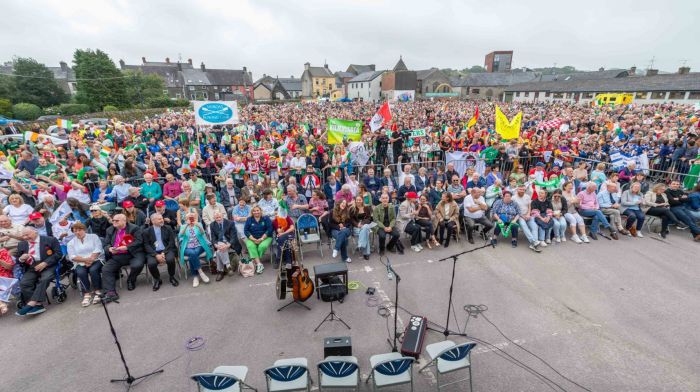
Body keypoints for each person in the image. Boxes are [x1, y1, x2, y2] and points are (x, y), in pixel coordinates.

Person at [15, 227, 62, 316]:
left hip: (48, 265)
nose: (25, 237)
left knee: (44, 279)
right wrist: (21, 258)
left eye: (27, 235)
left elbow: (58, 254)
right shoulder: (21, 244)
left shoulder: (50, 240)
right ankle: (38, 305)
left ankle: (32, 303)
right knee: (24, 283)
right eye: (23, 235)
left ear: (35, 232)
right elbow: (18, 260)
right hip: (32, 266)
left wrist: (45, 263)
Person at [101, 214, 145, 302]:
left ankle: (131, 280)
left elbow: (139, 241)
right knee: (106, 269)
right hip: (117, 255)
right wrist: (110, 249)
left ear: (124, 221)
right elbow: (105, 244)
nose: (114, 222)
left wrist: (127, 247)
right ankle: (110, 293)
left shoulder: (134, 228)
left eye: (117, 220)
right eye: (113, 220)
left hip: (133, 253)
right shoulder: (110, 230)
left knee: (137, 265)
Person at [67, 222, 104, 306]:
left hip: (96, 259)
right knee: (80, 272)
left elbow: (98, 249)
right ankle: (87, 293)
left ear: (84, 230)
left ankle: (97, 290)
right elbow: (72, 256)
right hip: (80, 262)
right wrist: (85, 260)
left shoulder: (93, 237)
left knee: (93, 270)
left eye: (79, 230)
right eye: (75, 231)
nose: (77, 232)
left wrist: (90, 260)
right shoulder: (71, 243)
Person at [144, 213, 179, 290]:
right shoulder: (147, 231)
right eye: (159, 219)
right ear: (153, 221)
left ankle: (172, 276)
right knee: (151, 263)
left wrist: (163, 253)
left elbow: (171, 242)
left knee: (170, 259)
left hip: (167, 249)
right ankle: (157, 279)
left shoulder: (168, 228)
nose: (162, 220)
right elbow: (146, 245)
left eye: (162, 218)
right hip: (153, 252)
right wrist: (156, 255)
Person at [178, 212, 212, 287]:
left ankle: (195, 277)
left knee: (192, 255)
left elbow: (203, 233)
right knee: (192, 254)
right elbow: (180, 235)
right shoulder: (183, 226)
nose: (191, 219)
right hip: (187, 247)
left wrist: (198, 226)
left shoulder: (198, 224)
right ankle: (201, 272)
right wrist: (187, 225)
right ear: (186, 219)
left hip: (199, 245)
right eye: (189, 217)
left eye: (192, 217)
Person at [209, 211, 242, 281]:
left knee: (219, 252)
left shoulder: (230, 223)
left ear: (222, 216)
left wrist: (228, 245)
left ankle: (220, 271)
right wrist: (216, 245)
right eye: (216, 218)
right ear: (214, 218)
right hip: (219, 245)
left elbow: (234, 237)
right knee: (220, 247)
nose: (218, 219)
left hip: (230, 244)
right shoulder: (212, 225)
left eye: (219, 217)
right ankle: (228, 266)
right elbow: (213, 238)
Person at [512, 184, 542, 251]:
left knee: (534, 226)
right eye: (520, 189)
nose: (522, 191)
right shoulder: (513, 198)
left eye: (523, 189)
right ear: (517, 190)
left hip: (528, 215)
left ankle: (533, 244)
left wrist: (528, 214)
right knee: (523, 225)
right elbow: (514, 209)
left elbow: (529, 206)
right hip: (519, 216)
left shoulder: (527, 196)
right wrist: (522, 216)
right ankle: (533, 241)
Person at [244, 206, 272, 274]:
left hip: (265, 237)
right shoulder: (249, 219)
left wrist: (262, 238)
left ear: (260, 211)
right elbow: (246, 230)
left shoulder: (266, 218)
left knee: (262, 247)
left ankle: (254, 260)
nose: (256, 212)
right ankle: (259, 264)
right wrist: (253, 239)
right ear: (252, 212)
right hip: (252, 238)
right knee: (251, 246)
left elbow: (270, 229)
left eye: (258, 210)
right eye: (254, 211)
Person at [350, 195, 374, 260]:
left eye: (360, 200)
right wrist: (357, 224)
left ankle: (360, 244)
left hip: (365, 224)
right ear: (355, 200)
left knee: (365, 227)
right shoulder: (352, 208)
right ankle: (366, 253)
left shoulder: (366, 208)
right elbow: (351, 219)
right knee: (365, 233)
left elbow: (369, 218)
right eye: (357, 200)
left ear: (362, 200)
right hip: (356, 226)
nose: (358, 201)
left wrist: (363, 223)